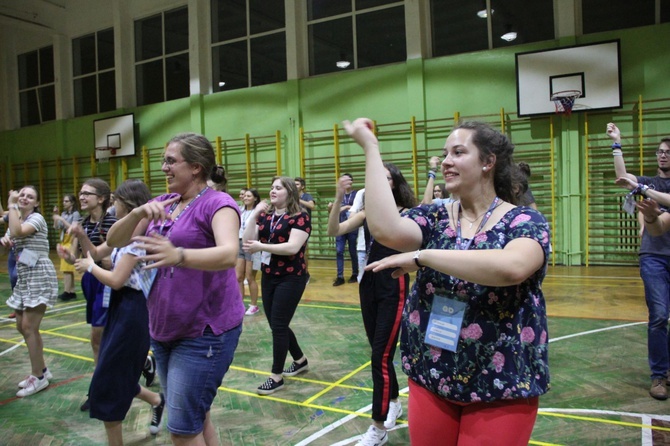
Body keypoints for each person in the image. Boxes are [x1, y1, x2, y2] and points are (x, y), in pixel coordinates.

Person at [343, 118, 551, 446]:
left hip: (501, 382)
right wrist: (371, 149)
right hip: (432, 373)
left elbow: (512, 267)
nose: (446, 161)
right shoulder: (436, 216)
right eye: (444, 154)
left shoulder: (524, 220)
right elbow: (385, 229)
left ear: (487, 162)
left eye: (458, 152)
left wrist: (424, 256)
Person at [106, 132, 244, 445]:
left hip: (205, 332)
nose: (163, 168)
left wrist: (178, 255)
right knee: (197, 415)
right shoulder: (160, 203)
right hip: (164, 329)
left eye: (171, 161)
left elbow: (228, 254)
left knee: (182, 428)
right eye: (164, 161)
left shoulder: (218, 204)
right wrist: (138, 212)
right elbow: (114, 240)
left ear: (195, 167)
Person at [327, 164, 416, 446]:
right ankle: (393, 402)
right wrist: (340, 198)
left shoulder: (408, 214)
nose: (379, 182)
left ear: (394, 183)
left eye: (386, 177)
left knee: (380, 356)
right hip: (369, 284)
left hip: (394, 284)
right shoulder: (367, 213)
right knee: (381, 354)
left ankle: (378, 428)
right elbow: (334, 230)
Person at [72, 179, 164, 444]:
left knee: (109, 380)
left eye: (116, 201)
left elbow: (115, 279)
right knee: (112, 374)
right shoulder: (123, 235)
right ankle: (156, 400)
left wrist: (89, 267)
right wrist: (81, 238)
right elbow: (100, 254)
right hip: (119, 307)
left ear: (128, 204)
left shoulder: (139, 241)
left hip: (133, 311)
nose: (113, 206)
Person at [607, 123, 670, 400]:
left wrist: (641, 187)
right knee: (658, 316)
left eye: (668, 152)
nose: (663, 155)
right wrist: (616, 143)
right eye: (660, 152)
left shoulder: (648, 186)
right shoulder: (648, 181)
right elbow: (623, 177)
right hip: (653, 257)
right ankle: (659, 376)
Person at [243, 176, 311, 395]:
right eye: (271, 187)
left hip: (292, 277)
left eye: (278, 188)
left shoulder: (299, 217)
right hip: (270, 275)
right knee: (276, 324)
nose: (273, 191)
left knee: (279, 325)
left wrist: (262, 245)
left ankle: (276, 376)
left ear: (289, 193)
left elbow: (292, 248)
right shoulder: (266, 216)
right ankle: (300, 360)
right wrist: (253, 215)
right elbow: (247, 241)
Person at [59, 178, 117, 411]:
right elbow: (78, 258)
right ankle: (142, 362)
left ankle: (100, 389)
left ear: (101, 198)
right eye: (80, 193)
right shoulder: (82, 223)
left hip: (106, 281)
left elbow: (112, 259)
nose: (81, 197)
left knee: (97, 336)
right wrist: (67, 256)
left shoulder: (113, 223)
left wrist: (102, 260)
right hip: (89, 282)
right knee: (104, 336)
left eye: (87, 193)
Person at [2, 186, 58, 397]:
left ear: (36, 203)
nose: (24, 198)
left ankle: (39, 377)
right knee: (21, 325)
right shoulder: (17, 218)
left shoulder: (37, 219)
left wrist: (11, 204)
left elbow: (17, 232)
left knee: (29, 326)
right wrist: (4, 242)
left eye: (30, 196)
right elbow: (10, 238)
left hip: (38, 274)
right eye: (22, 194)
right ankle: (42, 369)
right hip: (23, 275)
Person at [328, 173, 358, 286]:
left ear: (351, 182)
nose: (346, 182)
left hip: (352, 227)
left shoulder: (356, 194)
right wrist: (331, 208)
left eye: (348, 180)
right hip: (339, 227)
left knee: (352, 251)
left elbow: (357, 210)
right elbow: (332, 213)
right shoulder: (339, 196)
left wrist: (342, 208)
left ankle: (355, 273)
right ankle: (340, 276)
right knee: (339, 251)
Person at [238, 188, 262, 315]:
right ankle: (239, 304)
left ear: (255, 198)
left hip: (252, 244)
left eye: (249, 196)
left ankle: (253, 305)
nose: (245, 197)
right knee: (238, 277)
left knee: (250, 276)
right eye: (244, 195)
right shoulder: (239, 210)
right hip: (239, 242)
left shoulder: (258, 212)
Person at [53, 194, 80, 301]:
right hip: (64, 240)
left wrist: (62, 219)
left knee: (67, 268)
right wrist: (56, 216)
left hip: (72, 240)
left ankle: (67, 291)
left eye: (66, 201)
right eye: (64, 201)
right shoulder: (63, 213)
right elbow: (56, 227)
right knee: (66, 269)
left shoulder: (76, 214)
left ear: (72, 203)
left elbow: (73, 228)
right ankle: (71, 291)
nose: (64, 203)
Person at [295, 177, 315, 278]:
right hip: (293, 226)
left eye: (297, 184)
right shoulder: (290, 196)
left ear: (302, 186)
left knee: (303, 250)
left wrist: (298, 200)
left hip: (304, 227)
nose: (295, 186)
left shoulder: (307, 196)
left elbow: (312, 206)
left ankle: (305, 273)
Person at [350, 188, 367, 283]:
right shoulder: (362, 192)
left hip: (383, 248)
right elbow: (351, 217)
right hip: (363, 247)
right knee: (362, 279)